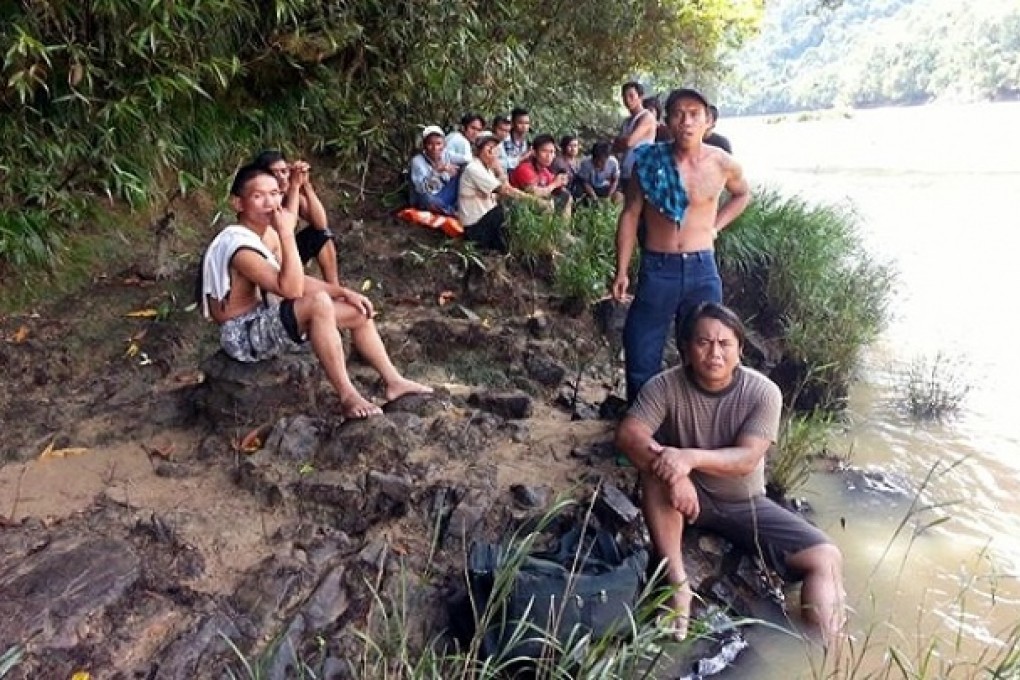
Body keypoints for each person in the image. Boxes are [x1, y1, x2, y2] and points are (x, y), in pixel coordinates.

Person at [615, 302, 845, 644]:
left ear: (740, 349)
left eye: (725, 344)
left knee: (825, 556)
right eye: (703, 342)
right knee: (657, 469)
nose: (714, 353)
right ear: (686, 349)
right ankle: (677, 587)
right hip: (683, 498)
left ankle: (828, 650)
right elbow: (629, 435)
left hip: (744, 501)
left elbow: (746, 459)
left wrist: (688, 458)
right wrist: (678, 474)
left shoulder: (763, 392)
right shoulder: (665, 385)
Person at [200, 163, 431, 419]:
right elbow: (291, 289)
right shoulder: (240, 246)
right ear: (238, 203)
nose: (270, 202)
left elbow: (297, 279)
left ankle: (394, 381)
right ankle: (348, 396)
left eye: (275, 193)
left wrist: (342, 292)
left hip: (264, 317)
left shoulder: (268, 236)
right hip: (242, 334)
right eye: (258, 196)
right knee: (318, 303)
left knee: (357, 310)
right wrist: (287, 234)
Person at [610, 87, 751, 403]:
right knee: (641, 348)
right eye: (678, 114)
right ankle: (641, 430)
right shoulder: (648, 162)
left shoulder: (723, 164)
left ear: (708, 121)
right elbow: (630, 214)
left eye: (694, 114)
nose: (686, 121)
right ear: (668, 123)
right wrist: (622, 270)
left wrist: (714, 227)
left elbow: (743, 194)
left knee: (707, 350)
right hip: (658, 267)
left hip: (703, 268)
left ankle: (697, 428)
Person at [253, 150, 339, 286]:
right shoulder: (264, 197)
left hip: (288, 250)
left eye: (284, 171)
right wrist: (294, 187)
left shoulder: (289, 194)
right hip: (269, 256)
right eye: (274, 173)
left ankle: (335, 288)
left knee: (321, 235)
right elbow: (288, 224)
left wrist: (306, 185)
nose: (281, 177)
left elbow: (321, 224)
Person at [458, 133, 545, 252]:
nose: (493, 151)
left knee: (510, 207)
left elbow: (506, 186)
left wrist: (497, 168)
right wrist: (536, 201)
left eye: (495, 147)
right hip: (474, 228)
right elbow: (506, 190)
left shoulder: (487, 169)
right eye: (489, 148)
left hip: (485, 222)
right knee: (506, 208)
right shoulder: (474, 168)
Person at [509, 133, 572, 218]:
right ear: (534, 152)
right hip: (517, 206)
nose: (548, 156)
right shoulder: (524, 168)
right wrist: (555, 184)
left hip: (534, 205)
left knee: (566, 195)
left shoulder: (544, 170)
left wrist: (561, 182)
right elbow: (534, 192)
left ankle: (563, 229)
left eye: (552, 152)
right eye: (544, 151)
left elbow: (554, 188)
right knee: (547, 204)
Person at [612, 82, 657, 192]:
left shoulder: (647, 117)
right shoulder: (627, 121)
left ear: (640, 97)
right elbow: (615, 148)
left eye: (631, 96)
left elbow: (629, 142)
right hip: (626, 171)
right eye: (624, 97)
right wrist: (618, 143)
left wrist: (619, 142)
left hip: (641, 171)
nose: (627, 100)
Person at [409, 125, 460, 216]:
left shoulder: (445, 155)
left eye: (438, 143)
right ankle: (449, 210)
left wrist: (453, 173)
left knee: (463, 175)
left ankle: (449, 208)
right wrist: (437, 171)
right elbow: (422, 189)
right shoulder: (417, 161)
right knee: (428, 199)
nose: (435, 148)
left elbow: (465, 160)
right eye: (430, 144)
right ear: (424, 145)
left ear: (444, 145)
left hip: (442, 194)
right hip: (428, 198)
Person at [490, 115, 513, 180]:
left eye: (507, 131)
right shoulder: (487, 140)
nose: (504, 133)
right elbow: (493, 162)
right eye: (501, 129)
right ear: (494, 127)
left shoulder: (501, 143)